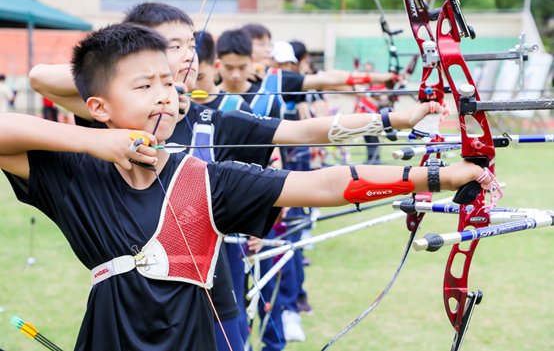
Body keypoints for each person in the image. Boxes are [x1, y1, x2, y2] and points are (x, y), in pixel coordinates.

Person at [2, 23, 491, 351]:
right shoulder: (75, 174)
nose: (164, 97)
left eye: (168, 84)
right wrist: (95, 143)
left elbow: (322, 183)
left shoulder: (202, 179)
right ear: (98, 106)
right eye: (143, 86)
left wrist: (442, 176)